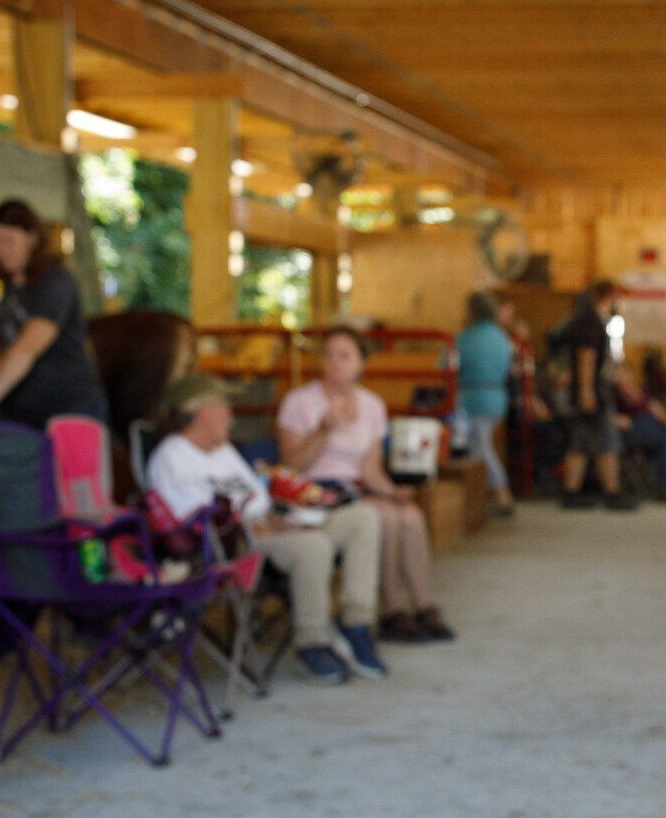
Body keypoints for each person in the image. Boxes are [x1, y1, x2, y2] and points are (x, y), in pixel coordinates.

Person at [147, 374, 385, 684]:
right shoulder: (171, 457)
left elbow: (257, 495)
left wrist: (283, 516)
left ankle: (355, 622)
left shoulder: (224, 452)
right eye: (222, 406)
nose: (230, 414)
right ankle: (311, 642)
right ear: (199, 411)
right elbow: (192, 518)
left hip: (272, 524)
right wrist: (258, 524)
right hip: (236, 543)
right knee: (313, 546)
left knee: (362, 517)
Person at [277, 327, 455, 644]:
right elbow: (291, 468)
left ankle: (423, 606)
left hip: (356, 488)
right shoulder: (299, 401)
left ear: (361, 363)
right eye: (329, 354)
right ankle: (391, 610)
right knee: (384, 517)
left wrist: (392, 491)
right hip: (316, 492)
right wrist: (321, 431)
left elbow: (370, 468)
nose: (335, 362)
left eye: (344, 355)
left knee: (409, 515)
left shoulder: (372, 405)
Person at [0, 198, 109, 439]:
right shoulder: (11, 288)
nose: (0, 249)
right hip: (24, 416)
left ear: (32, 237)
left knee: (73, 478)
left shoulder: (56, 281)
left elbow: (28, 348)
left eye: (8, 240)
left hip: (71, 412)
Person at [554, 281, 636, 510]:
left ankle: (571, 491)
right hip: (592, 394)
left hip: (586, 392)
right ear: (608, 297)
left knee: (580, 444)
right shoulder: (591, 324)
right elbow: (586, 358)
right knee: (608, 442)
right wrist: (587, 392)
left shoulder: (585, 321)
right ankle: (612, 492)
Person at [456, 291, 516, 517]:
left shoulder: (465, 337)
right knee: (481, 446)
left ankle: (501, 492)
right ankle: (483, 497)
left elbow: (445, 364)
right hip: (497, 396)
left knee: (480, 447)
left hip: (473, 397)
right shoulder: (502, 337)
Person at [613, 363, 666, 502]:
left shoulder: (641, 392)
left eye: (628, 374)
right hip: (629, 430)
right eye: (622, 374)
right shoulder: (614, 394)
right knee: (665, 436)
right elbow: (609, 416)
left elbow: (654, 407)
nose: (626, 377)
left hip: (648, 428)